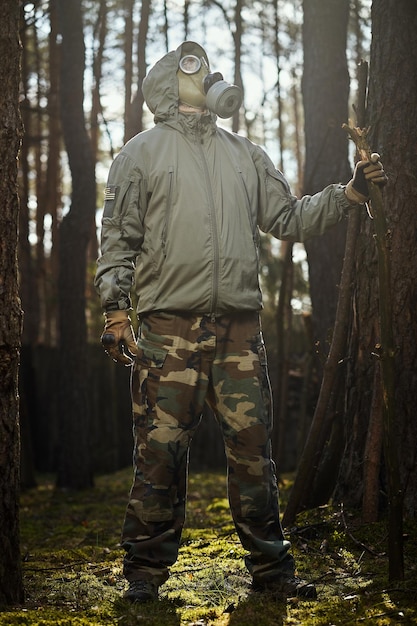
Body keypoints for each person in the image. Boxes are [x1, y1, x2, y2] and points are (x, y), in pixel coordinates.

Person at [94, 41, 386, 604]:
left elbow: (287, 217)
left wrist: (348, 194)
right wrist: (115, 311)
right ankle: (143, 576)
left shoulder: (245, 154)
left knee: (253, 452)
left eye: (206, 73)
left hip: (238, 332)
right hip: (166, 332)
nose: (202, 81)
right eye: (190, 72)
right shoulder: (141, 153)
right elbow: (119, 240)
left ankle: (273, 574)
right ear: (167, 85)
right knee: (160, 453)